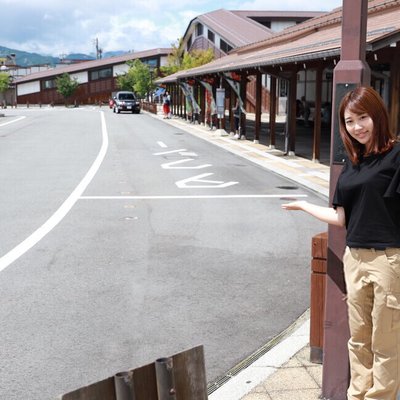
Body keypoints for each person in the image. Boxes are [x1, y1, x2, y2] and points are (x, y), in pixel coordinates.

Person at [282, 86, 400, 400]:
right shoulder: (352, 164)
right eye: (349, 121)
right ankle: (357, 395)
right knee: (359, 339)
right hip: (355, 258)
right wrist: (304, 205)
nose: (357, 126)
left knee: (386, 342)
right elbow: (341, 218)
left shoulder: (397, 155)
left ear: (377, 114)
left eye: (363, 117)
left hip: (389, 259)